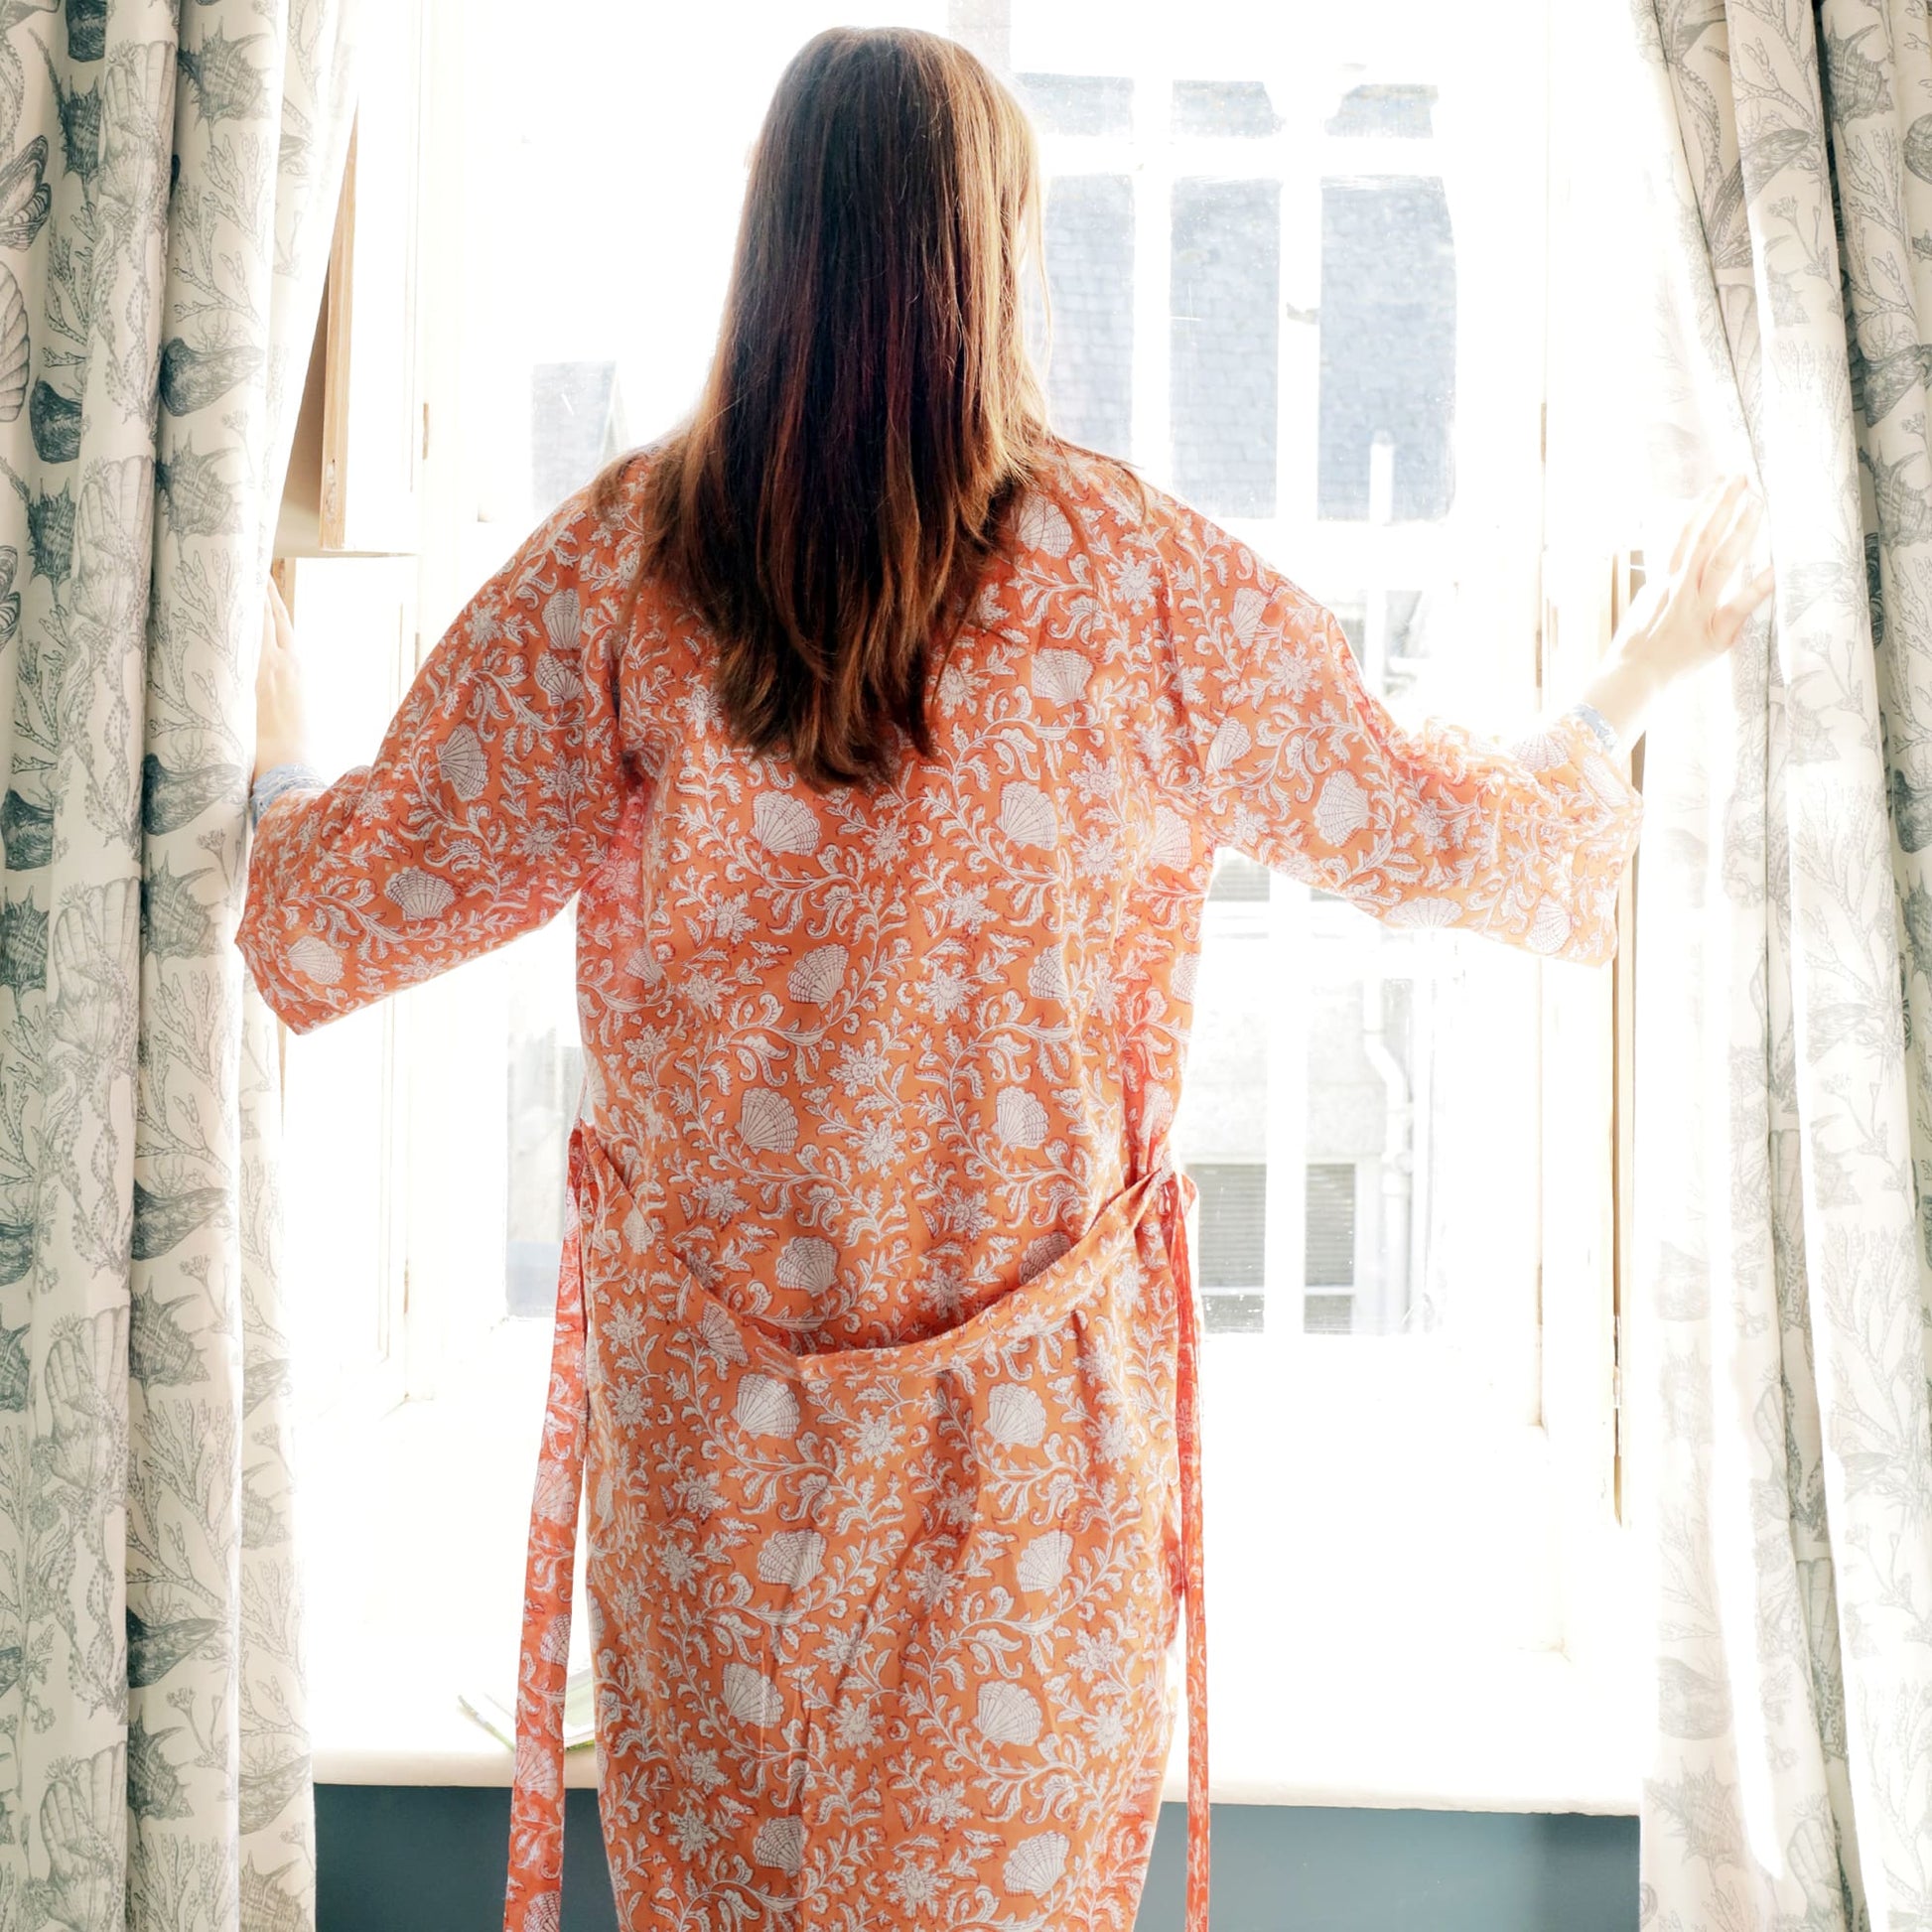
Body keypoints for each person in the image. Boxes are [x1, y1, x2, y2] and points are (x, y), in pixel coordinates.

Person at [238, 25, 1772, 1932]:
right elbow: (1438, 836)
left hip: (712, 1463)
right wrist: (1625, 685)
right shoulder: (1134, 581)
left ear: (766, 243)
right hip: (1029, 1487)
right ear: (995, 255)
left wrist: (278, 754)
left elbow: (337, 911)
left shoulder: (629, 562)